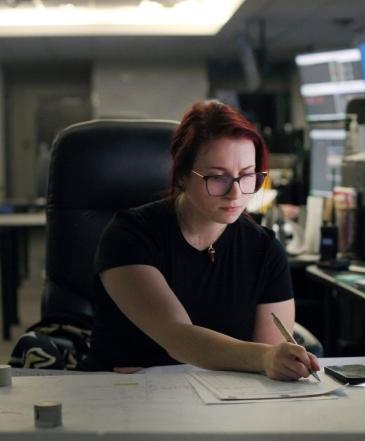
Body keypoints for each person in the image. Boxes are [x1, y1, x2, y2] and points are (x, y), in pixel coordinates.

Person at [81, 100, 320, 380]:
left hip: (221, 402)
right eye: (218, 178)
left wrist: (279, 360)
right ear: (182, 177)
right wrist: (263, 357)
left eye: (247, 176)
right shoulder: (129, 236)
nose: (235, 194)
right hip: (122, 395)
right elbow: (177, 336)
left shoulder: (264, 249)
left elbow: (268, 361)